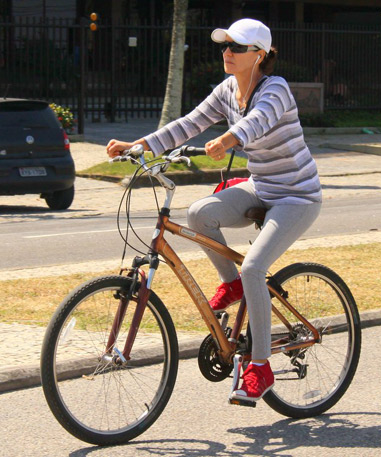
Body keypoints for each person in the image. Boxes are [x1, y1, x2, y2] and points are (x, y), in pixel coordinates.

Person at [106, 18, 322, 403]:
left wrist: (228, 138)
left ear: (260, 55)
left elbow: (258, 122)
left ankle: (259, 366)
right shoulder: (226, 91)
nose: (227, 53)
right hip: (262, 187)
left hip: (296, 197)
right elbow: (189, 123)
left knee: (255, 266)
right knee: (198, 214)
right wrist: (137, 146)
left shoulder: (276, 89)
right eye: (225, 46)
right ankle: (234, 283)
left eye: (237, 48)